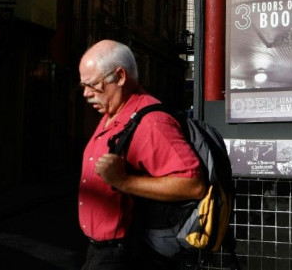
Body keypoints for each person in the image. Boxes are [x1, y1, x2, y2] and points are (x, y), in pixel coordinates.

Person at [78, 40, 206, 270]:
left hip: (124, 255)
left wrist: (125, 181)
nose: (86, 94)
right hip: (98, 252)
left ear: (120, 76)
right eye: (83, 85)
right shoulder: (113, 113)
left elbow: (193, 185)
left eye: (93, 84)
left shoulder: (151, 122)